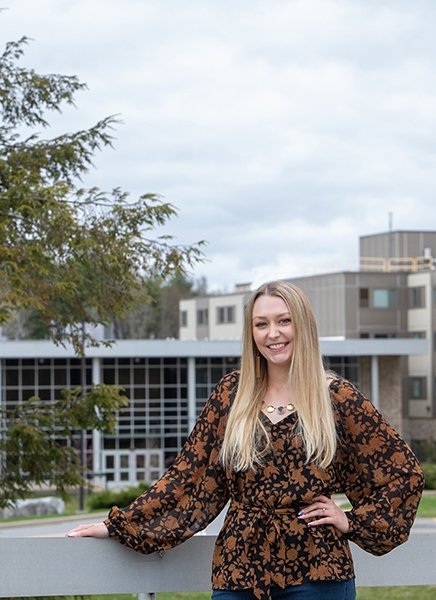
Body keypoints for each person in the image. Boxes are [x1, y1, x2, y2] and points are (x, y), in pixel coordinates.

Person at [67, 280, 424, 600]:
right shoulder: (231, 396)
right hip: (239, 572)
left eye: (284, 321)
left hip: (318, 574)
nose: (273, 333)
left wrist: (351, 521)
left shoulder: (337, 398)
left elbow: (401, 473)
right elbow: (190, 480)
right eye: (261, 324)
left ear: (303, 325)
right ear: (251, 332)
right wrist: (119, 525)